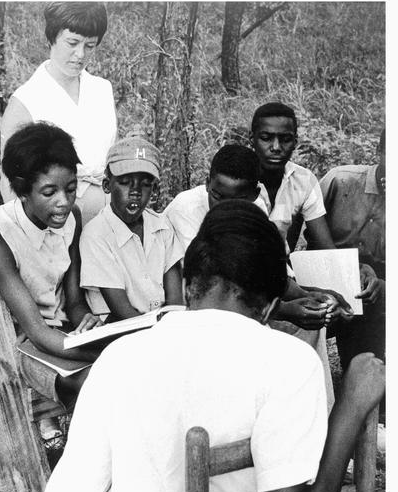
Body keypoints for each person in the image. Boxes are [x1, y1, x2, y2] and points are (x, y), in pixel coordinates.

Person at [40, 200, 384, 492]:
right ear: (270, 307)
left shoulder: (118, 357)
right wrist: (348, 408)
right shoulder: (290, 361)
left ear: (187, 287)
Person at [165, 144, 346, 411]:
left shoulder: (258, 206)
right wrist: (283, 310)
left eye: (236, 200)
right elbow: (218, 286)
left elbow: (270, 270)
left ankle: (315, 414)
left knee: (309, 322)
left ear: (254, 194)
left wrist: (309, 296)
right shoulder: (186, 209)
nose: (224, 206)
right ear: (206, 183)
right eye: (217, 195)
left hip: (246, 301)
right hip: (203, 308)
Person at [0, 122, 103, 442]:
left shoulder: (72, 220)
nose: (64, 201)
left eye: (70, 188)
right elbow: (35, 332)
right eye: (49, 192)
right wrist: (99, 353)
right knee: (91, 381)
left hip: (61, 335)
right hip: (20, 343)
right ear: (22, 188)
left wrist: (86, 322)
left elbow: (72, 301)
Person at [249, 101, 381, 314]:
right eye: (266, 138)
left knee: (341, 306)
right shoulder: (238, 179)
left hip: (282, 278)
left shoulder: (303, 180)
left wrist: (357, 272)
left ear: (295, 142)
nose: (275, 147)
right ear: (252, 139)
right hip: (243, 278)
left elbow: (325, 246)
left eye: (285, 139)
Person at [0, 2, 116, 225]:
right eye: (72, 43)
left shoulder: (102, 89)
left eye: (89, 45)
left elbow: (112, 158)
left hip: (105, 219)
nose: (80, 54)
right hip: (56, 222)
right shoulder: (25, 101)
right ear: (51, 38)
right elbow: (11, 182)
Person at [79, 135, 184, 321]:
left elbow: (175, 302)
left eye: (145, 184)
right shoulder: (96, 235)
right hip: (118, 328)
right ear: (106, 185)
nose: (135, 192)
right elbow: (122, 312)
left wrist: (169, 329)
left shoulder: (163, 227)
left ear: (154, 190)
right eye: (125, 182)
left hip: (162, 327)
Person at [314, 129, 385, 371]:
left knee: (373, 305)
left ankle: (364, 374)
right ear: (379, 152)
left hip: (378, 284)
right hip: (327, 271)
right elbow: (306, 233)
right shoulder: (339, 180)